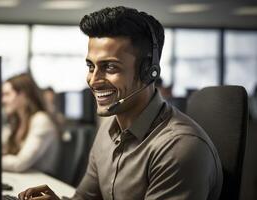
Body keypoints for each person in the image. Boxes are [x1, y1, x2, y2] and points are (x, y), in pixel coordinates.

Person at [18, 6, 223, 200]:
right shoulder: (108, 129)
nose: (93, 80)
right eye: (91, 66)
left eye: (110, 67)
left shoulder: (178, 148)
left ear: (148, 72)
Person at [2, 73, 61, 175]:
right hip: (24, 177)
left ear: (23, 94)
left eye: (7, 94)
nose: (3, 100)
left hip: (39, 181)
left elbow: (19, 163)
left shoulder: (41, 120)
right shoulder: (17, 121)